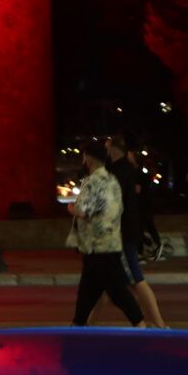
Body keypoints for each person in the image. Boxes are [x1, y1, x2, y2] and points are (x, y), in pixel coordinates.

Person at [66, 140, 143, 327]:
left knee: (117, 292)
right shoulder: (112, 179)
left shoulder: (92, 182)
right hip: (110, 243)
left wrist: (71, 209)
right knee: (87, 292)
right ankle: (77, 325)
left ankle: (141, 324)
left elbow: (84, 211)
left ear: (89, 160)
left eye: (84, 158)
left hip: (97, 246)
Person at [100, 137, 167, 329]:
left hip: (120, 235)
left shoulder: (115, 173)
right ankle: (85, 323)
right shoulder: (130, 171)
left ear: (113, 151)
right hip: (126, 232)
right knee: (102, 282)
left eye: (106, 149)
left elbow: (114, 205)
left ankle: (157, 324)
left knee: (136, 280)